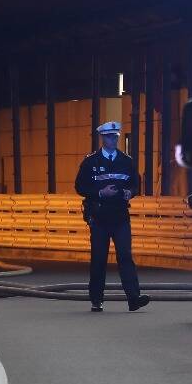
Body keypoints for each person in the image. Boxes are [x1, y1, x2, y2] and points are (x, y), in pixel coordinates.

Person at [74, 121, 149, 312]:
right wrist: (100, 193)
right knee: (99, 258)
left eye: (115, 136)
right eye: (109, 136)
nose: (113, 139)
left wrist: (129, 193)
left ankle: (134, 298)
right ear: (102, 138)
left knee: (125, 257)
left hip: (120, 216)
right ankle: (96, 300)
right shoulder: (91, 162)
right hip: (99, 216)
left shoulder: (127, 161)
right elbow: (80, 187)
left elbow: (135, 185)